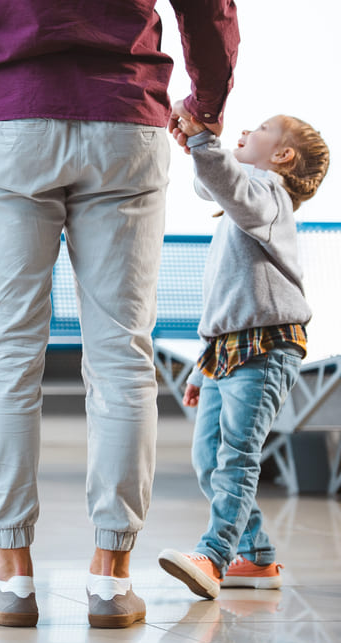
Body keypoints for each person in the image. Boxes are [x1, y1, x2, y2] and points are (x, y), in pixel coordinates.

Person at [0, 1, 239, 628]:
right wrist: (206, 102)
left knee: (8, 360)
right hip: (126, 120)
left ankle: (12, 579)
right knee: (124, 357)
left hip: (11, 119)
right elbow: (210, 8)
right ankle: (111, 581)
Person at [158, 109, 330, 599]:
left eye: (259, 130)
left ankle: (214, 557)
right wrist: (200, 365)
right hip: (226, 348)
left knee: (236, 454)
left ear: (282, 156)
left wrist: (205, 145)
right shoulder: (247, 202)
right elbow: (213, 187)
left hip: (267, 346)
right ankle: (256, 558)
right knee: (207, 457)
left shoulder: (270, 197)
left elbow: (228, 184)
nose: (245, 132)